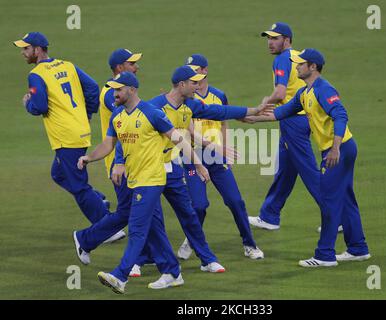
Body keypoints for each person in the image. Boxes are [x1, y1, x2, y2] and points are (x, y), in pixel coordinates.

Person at [116, 65, 271, 274]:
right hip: (148, 170)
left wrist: (254, 110)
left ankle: (207, 259)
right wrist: (119, 160)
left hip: (173, 169)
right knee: (149, 218)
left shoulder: (190, 106)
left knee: (189, 214)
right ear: (182, 85)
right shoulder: (154, 107)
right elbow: (125, 131)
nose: (198, 86)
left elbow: (220, 112)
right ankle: (138, 261)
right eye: (193, 83)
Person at [249, 49, 370, 267]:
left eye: (300, 64)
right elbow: (281, 112)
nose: (296, 67)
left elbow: (340, 114)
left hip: (339, 149)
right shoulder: (305, 93)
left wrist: (334, 148)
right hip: (338, 149)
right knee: (345, 199)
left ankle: (325, 255)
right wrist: (251, 118)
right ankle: (358, 248)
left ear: (312, 67)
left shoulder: (324, 89)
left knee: (329, 200)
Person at [77, 71, 197, 292]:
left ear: (131, 90)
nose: (115, 93)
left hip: (151, 180)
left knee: (138, 229)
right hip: (133, 181)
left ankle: (120, 276)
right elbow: (108, 144)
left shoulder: (152, 113)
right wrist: (89, 157)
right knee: (154, 228)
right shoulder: (118, 116)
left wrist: (197, 165)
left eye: (119, 89)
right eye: (114, 89)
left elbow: (177, 138)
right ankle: (172, 272)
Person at [14, 32, 110, 224]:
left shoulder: (36, 75)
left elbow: (40, 106)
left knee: (78, 184)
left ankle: (108, 225)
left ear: (38, 49)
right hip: (80, 129)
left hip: (66, 137)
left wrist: (28, 104)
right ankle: (98, 201)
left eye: (26, 48)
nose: (23, 53)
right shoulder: (67, 65)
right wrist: (87, 114)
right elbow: (92, 87)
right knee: (58, 174)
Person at [177, 54, 263, 260]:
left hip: (217, 158)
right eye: (190, 71)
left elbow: (224, 121)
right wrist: (214, 146)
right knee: (199, 206)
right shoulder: (186, 99)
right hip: (193, 157)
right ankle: (191, 240)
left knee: (235, 201)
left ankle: (249, 244)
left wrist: (224, 148)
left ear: (205, 71)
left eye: (196, 70)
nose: (193, 74)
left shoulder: (218, 95)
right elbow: (186, 130)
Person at [247, 23, 323, 233]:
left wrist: (264, 103)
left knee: (308, 170)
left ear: (287, 39)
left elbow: (280, 93)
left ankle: (337, 215)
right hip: (303, 117)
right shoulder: (299, 57)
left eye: (275, 38)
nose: (270, 43)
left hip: (293, 122)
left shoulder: (282, 59)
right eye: (268, 38)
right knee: (286, 170)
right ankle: (269, 215)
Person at [74, 49, 144, 255]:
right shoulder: (111, 95)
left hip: (134, 161)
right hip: (119, 164)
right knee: (129, 211)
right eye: (132, 63)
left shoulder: (125, 91)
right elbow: (123, 129)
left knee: (144, 209)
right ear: (120, 68)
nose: (136, 67)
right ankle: (85, 239)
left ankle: (152, 256)